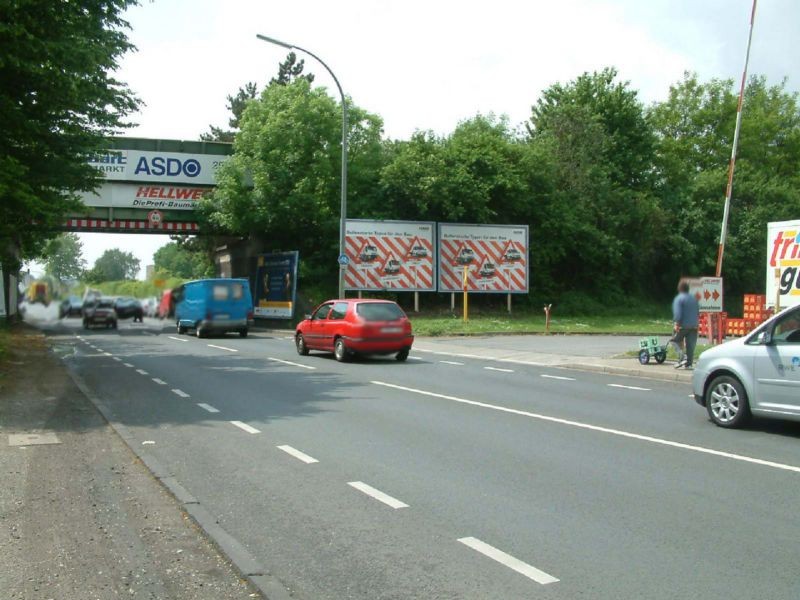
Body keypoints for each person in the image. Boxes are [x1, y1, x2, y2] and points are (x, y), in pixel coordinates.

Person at [671, 279, 700, 369]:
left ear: (679, 289)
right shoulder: (694, 299)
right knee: (690, 346)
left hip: (683, 326)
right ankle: (689, 364)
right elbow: (697, 312)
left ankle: (682, 357)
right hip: (694, 326)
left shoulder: (679, 299)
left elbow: (678, 313)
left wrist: (677, 324)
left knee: (674, 341)